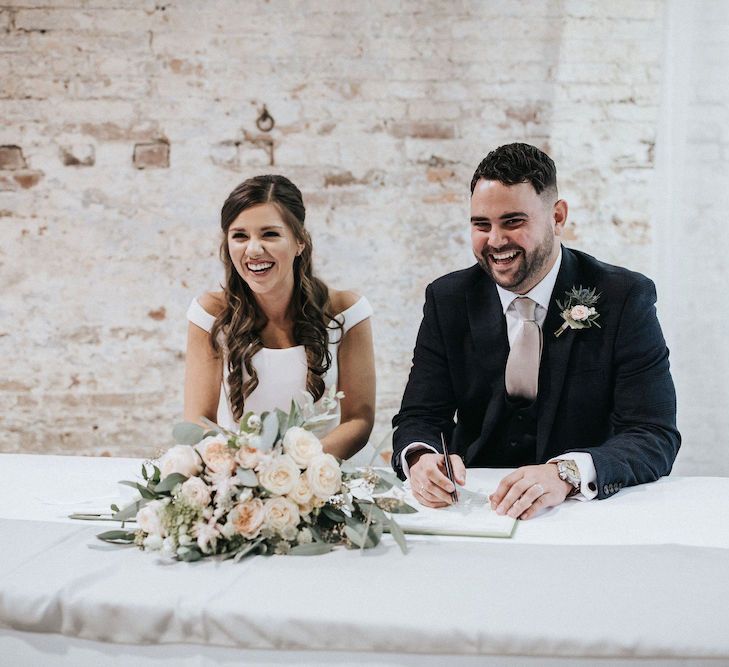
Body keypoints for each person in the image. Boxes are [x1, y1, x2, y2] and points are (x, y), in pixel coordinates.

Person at [392, 143, 680, 519]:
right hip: (475, 508)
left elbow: (653, 434)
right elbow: (420, 417)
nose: (495, 241)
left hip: (584, 513)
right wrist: (421, 458)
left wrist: (566, 474)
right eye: (482, 225)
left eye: (513, 221)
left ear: (557, 217)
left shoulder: (624, 298)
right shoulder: (447, 299)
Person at [184, 174, 375, 460]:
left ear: (299, 242)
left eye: (270, 234)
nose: (253, 249)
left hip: (331, 469)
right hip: (243, 474)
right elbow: (198, 420)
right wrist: (248, 470)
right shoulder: (210, 314)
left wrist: (294, 468)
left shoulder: (346, 310)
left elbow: (359, 419)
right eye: (240, 236)